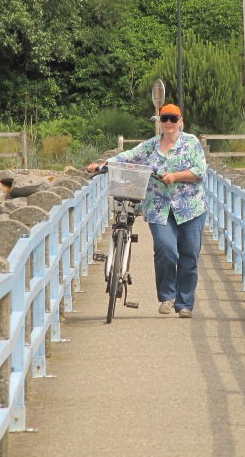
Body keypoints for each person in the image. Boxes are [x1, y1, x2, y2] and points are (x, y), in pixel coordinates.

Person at [87, 103, 207, 318]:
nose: (168, 122)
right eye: (164, 118)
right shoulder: (150, 146)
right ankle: (167, 297)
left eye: (173, 118)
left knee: (189, 256)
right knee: (166, 250)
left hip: (190, 208)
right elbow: (127, 156)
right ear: (159, 122)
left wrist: (176, 176)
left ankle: (185, 303)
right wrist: (101, 165)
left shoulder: (191, 142)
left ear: (181, 121)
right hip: (159, 207)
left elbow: (199, 171)